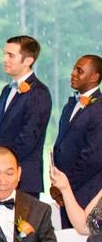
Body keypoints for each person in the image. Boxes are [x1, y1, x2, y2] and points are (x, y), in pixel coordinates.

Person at [0, 35, 51, 198]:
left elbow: (28, 138)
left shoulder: (39, 93)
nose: (4, 59)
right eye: (4, 54)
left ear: (28, 60)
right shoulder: (6, 90)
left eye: (10, 55)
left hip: (24, 181)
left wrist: (2, 166)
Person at [52, 55, 102, 230]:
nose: (73, 74)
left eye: (79, 71)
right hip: (65, 190)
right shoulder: (70, 105)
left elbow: (93, 157)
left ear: (95, 77)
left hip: (85, 190)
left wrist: (67, 186)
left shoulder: (99, 109)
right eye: (74, 69)